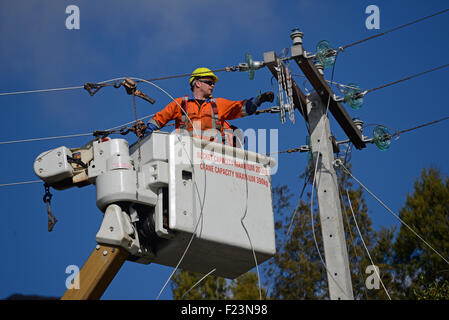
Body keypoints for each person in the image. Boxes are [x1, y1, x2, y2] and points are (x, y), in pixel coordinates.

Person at [147, 67, 274, 146]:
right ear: (197, 83)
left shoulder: (218, 104)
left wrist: (259, 100)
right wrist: (145, 134)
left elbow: (242, 108)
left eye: (213, 84)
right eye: (209, 82)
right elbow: (158, 120)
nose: (212, 86)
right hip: (187, 154)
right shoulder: (180, 104)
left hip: (214, 155)